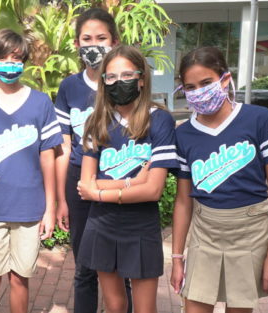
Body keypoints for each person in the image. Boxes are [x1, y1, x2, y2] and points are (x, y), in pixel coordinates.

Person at [169, 46, 268, 313]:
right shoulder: (184, 134)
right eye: (190, 87)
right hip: (205, 235)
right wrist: (177, 258)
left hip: (250, 234)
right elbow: (182, 201)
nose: (199, 92)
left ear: (225, 79)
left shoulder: (258, 119)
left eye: (206, 83)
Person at [0, 29, 63, 313]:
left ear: (26, 62)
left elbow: (49, 156)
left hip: (29, 208)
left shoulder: (41, 102)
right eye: (3, 57)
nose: (10, 63)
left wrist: (50, 207)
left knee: (20, 279)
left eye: (17, 57)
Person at [76, 45, 179, 313]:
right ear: (103, 82)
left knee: (145, 309)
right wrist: (132, 183)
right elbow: (85, 185)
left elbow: (154, 190)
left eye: (126, 76)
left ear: (141, 79)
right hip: (101, 225)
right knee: (115, 305)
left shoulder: (160, 121)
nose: (118, 82)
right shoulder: (96, 122)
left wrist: (100, 190)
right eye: (110, 77)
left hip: (141, 226)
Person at [53, 8, 135, 313]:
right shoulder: (69, 88)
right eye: (86, 38)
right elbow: (63, 144)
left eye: (101, 38)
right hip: (80, 182)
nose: (93, 44)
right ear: (76, 43)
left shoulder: (125, 84)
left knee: (122, 266)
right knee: (84, 265)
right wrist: (62, 198)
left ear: (114, 41)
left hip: (120, 176)